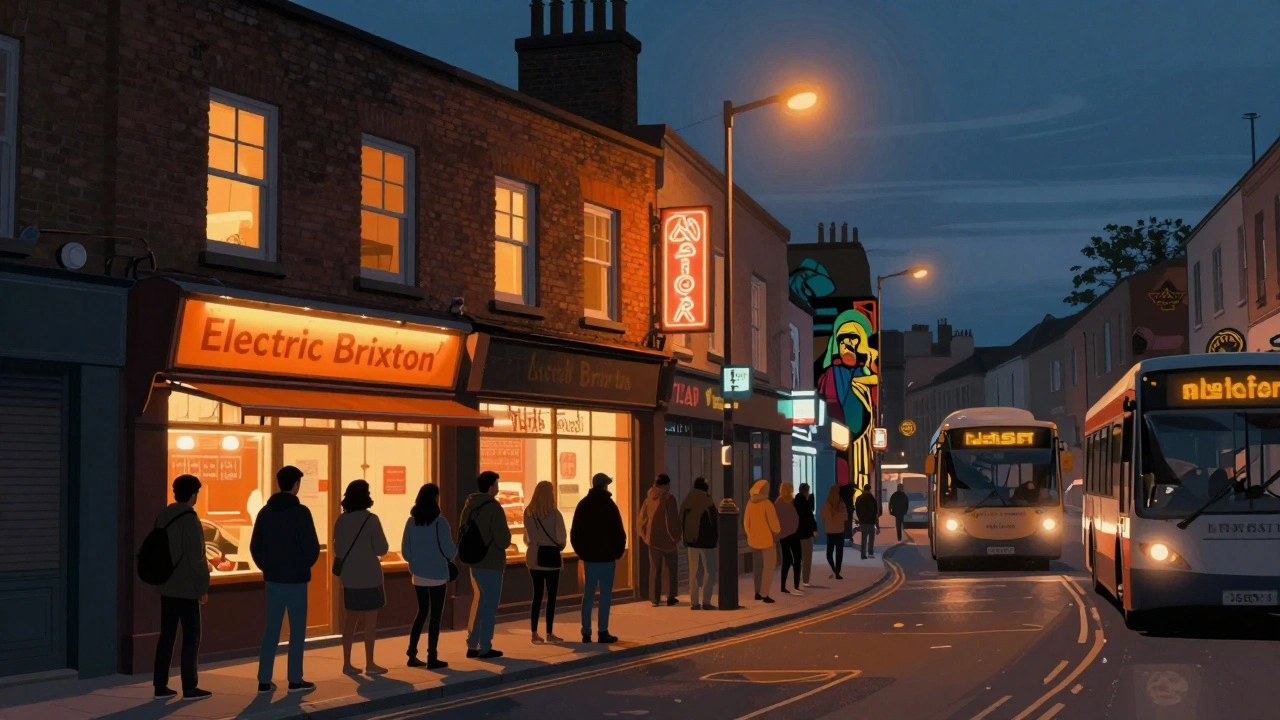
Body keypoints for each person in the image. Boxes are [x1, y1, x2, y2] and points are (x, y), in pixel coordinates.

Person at [251, 465, 320, 694]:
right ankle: (294, 679)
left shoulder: (265, 512)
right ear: (296, 485)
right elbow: (311, 547)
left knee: (271, 629)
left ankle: (264, 679)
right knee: (297, 631)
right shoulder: (301, 513)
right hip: (297, 580)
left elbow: (255, 547)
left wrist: (267, 567)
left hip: (273, 580)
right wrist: (302, 564)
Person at [152, 474, 211, 701]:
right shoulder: (190, 520)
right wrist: (203, 587)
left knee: (166, 636)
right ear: (193, 494)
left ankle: (160, 685)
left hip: (166, 586)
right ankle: (189, 686)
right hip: (186, 588)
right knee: (191, 636)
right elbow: (197, 558)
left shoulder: (164, 515)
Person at [334, 480, 389, 676]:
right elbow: (382, 548)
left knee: (350, 620)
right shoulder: (371, 519)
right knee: (370, 621)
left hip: (350, 577)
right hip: (371, 576)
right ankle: (370, 663)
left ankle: (347, 663)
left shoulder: (341, 521)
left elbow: (338, 550)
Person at [458, 470, 511, 659]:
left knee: (479, 602)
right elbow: (503, 540)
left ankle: (472, 644)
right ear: (491, 486)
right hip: (491, 562)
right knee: (489, 606)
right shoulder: (494, 507)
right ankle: (486, 646)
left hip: (474, 562)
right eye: (497, 483)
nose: (498, 487)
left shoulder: (469, 506)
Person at [401, 483, 454, 669]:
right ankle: (432, 657)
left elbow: (405, 552)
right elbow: (449, 551)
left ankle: (412, 654)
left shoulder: (410, 522)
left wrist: (417, 561)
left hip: (419, 575)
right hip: (438, 574)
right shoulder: (441, 523)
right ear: (436, 499)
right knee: (435, 617)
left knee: (422, 612)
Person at [571, 473, 626, 643]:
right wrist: (617, 553)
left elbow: (575, 533)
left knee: (588, 595)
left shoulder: (583, 505)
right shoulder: (610, 506)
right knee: (605, 596)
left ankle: (586, 631)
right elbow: (619, 533)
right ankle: (603, 631)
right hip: (607, 559)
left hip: (590, 559)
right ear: (604, 486)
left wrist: (582, 553)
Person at [524, 480, 567, 644]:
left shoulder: (529, 512)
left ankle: (534, 633)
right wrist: (557, 545)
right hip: (551, 559)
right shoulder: (555, 514)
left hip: (535, 558)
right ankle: (549, 633)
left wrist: (535, 544)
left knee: (537, 596)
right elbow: (561, 538)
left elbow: (526, 538)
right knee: (551, 597)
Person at [638, 474, 680, 607]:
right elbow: (672, 520)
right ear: (665, 485)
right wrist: (676, 537)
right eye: (668, 484)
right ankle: (671, 596)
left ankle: (655, 598)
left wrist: (645, 536)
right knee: (671, 569)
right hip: (667, 540)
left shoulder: (648, 499)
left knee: (655, 569)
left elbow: (642, 520)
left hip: (652, 539)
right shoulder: (669, 498)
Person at [679, 477, 718, 610]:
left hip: (690, 541)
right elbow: (715, 521)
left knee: (693, 572)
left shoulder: (687, 500)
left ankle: (694, 602)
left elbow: (680, 519)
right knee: (709, 572)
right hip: (707, 542)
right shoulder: (707, 501)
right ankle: (706, 602)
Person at [743, 479, 780, 604]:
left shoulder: (750, 503)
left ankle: (757, 592)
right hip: (767, 540)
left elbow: (746, 522)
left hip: (754, 540)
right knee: (769, 566)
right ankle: (765, 593)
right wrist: (777, 531)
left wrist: (749, 535)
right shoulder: (767, 504)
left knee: (757, 567)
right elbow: (774, 524)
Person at [775, 483, 802, 595]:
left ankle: (783, 586)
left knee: (786, 560)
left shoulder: (777, 502)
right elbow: (795, 517)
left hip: (782, 535)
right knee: (797, 559)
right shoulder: (790, 502)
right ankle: (796, 586)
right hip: (792, 534)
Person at [794, 483, 818, 587]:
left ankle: (796, 581)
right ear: (806, 491)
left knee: (798, 559)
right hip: (806, 534)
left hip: (796, 534)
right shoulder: (806, 503)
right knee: (807, 558)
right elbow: (810, 518)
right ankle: (805, 580)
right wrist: (815, 529)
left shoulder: (794, 502)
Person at [820, 485, 846, 579]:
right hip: (838, 531)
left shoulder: (829, 504)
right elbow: (844, 517)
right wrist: (837, 516)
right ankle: (836, 571)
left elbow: (824, 516)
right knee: (838, 552)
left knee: (830, 553)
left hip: (831, 531)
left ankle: (835, 570)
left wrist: (833, 516)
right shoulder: (838, 504)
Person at [854, 486, 881, 560]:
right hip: (871, 521)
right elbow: (875, 511)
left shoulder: (859, 498)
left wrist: (860, 518)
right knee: (871, 538)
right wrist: (876, 522)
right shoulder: (872, 498)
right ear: (869, 490)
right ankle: (870, 552)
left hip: (863, 521)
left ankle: (863, 554)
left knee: (864, 537)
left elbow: (857, 510)